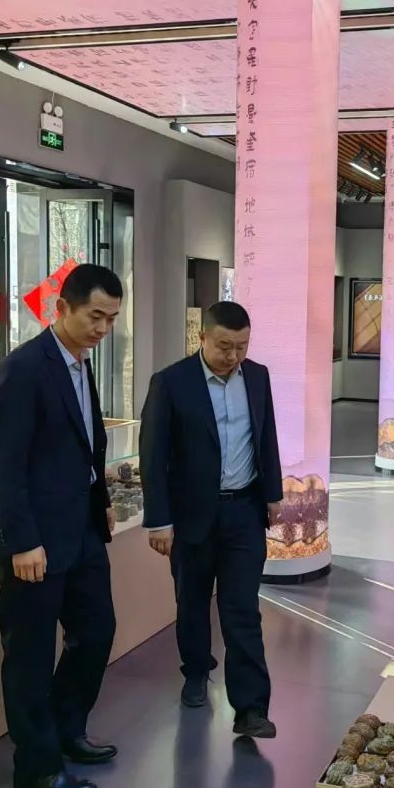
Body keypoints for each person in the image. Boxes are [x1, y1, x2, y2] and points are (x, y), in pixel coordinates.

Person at [0, 264, 123, 788]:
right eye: (95, 316)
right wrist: (23, 541)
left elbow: (87, 446)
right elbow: (5, 464)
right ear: (61, 308)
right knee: (30, 658)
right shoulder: (24, 368)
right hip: (34, 541)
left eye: (111, 319)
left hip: (81, 529)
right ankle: (37, 769)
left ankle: (67, 729)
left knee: (97, 632)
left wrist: (101, 501)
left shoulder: (81, 363)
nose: (103, 328)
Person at [140, 301, 283, 739]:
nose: (233, 356)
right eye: (224, 346)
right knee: (192, 600)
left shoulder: (257, 376)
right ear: (201, 337)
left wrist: (273, 493)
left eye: (242, 346)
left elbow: (266, 436)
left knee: (242, 608)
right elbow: (152, 455)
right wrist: (159, 520)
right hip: (191, 515)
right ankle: (196, 671)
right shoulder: (171, 382)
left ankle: (251, 708)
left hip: (244, 510)